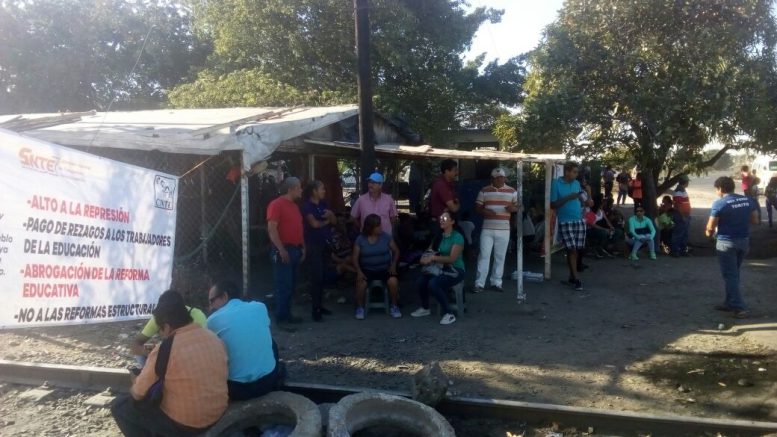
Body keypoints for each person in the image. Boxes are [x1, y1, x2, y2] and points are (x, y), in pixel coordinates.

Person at [111, 290, 228, 436]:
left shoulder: (165, 348)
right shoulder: (214, 338)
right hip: (217, 413)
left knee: (119, 406)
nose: (161, 334)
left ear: (166, 327)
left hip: (187, 424)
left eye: (160, 330)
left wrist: (136, 380)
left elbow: (138, 394)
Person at [207, 280, 285, 400]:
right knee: (270, 341)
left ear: (224, 296)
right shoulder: (260, 307)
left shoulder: (212, 320)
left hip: (236, 390)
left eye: (212, 301)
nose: (210, 307)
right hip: (268, 381)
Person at [706, 176, 759, 319]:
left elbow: (710, 227)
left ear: (720, 189)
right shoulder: (748, 200)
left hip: (726, 243)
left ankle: (739, 308)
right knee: (734, 274)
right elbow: (755, 220)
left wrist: (708, 234)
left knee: (730, 275)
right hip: (743, 241)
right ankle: (729, 302)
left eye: (716, 189)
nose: (716, 192)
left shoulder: (719, 203)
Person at [412, 211, 465, 325]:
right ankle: (425, 308)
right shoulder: (438, 236)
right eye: (440, 218)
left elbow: (452, 259)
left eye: (444, 218)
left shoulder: (457, 237)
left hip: (455, 270)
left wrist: (433, 258)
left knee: (433, 283)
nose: (441, 220)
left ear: (452, 221)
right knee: (420, 281)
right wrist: (424, 258)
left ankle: (449, 314)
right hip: (439, 268)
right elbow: (428, 252)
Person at [473, 167, 519, 293]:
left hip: (504, 229)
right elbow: (477, 207)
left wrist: (513, 209)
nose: (500, 180)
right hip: (487, 229)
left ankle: (496, 283)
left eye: (502, 177)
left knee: (500, 257)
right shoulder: (484, 190)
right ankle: (479, 283)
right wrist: (485, 211)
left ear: (505, 178)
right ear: (492, 179)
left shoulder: (512, 191)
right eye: (497, 178)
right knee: (484, 256)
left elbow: (519, 207)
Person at [267, 177, 305, 326]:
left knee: (291, 285)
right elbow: (272, 229)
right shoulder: (276, 204)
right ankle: (281, 318)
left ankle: (287, 314)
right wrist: (280, 249)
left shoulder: (294, 206)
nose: (301, 190)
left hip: (295, 249)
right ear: (291, 189)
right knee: (283, 285)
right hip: (283, 249)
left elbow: (298, 227)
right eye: (299, 187)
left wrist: (303, 247)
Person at [352, 214, 402, 320]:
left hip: (384, 269)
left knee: (393, 281)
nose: (381, 227)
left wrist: (393, 265)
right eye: (378, 226)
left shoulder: (386, 237)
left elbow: (396, 251)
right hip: (367, 269)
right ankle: (360, 307)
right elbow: (355, 258)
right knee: (360, 282)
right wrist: (359, 272)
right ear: (370, 227)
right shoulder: (360, 239)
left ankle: (394, 306)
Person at [130, 299, 207, 367]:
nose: (161, 333)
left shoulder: (198, 317)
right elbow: (135, 345)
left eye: (161, 329)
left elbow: (201, 350)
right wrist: (152, 352)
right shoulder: (160, 317)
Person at [301, 180, 337, 321]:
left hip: (325, 245)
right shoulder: (307, 206)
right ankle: (315, 309)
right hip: (313, 246)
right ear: (314, 191)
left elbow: (335, 221)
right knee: (316, 277)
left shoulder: (324, 204)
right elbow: (314, 224)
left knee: (323, 276)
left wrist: (331, 215)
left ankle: (320, 305)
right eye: (321, 189)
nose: (324, 191)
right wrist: (327, 221)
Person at [550, 162, 589, 291]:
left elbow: (580, 198)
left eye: (577, 172)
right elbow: (553, 204)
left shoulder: (576, 183)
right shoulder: (556, 183)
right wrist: (568, 197)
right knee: (571, 249)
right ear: (567, 172)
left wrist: (585, 201)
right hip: (565, 221)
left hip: (579, 219)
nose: (576, 174)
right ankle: (576, 279)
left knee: (575, 249)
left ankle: (572, 277)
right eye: (574, 172)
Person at [351, 172, 398, 236]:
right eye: (369, 182)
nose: (370, 185)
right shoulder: (361, 200)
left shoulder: (389, 199)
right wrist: (363, 228)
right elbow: (353, 217)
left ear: (380, 185)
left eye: (373, 183)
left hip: (385, 237)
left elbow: (393, 217)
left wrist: (385, 228)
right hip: (367, 237)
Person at [429, 159, 460, 237]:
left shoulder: (450, 185)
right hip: (441, 223)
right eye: (454, 170)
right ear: (447, 171)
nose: (456, 173)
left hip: (446, 222)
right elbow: (454, 208)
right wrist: (456, 203)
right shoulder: (441, 185)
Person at [670, 175, 692, 257]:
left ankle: (683, 250)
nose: (688, 183)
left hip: (684, 214)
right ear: (685, 182)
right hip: (680, 215)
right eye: (687, 182)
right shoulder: (679, 191)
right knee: (678, 233)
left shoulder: (682, 190)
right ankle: (675, 251)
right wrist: (682, 216)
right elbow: (678, 205)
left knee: (684, 233)